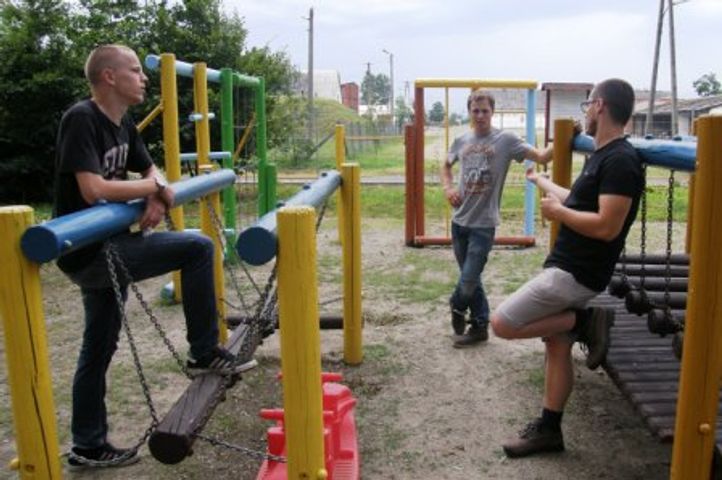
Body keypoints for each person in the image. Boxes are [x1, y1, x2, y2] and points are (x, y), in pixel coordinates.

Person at [53, 44, 255, 470]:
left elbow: (150, 169)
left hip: (110, 245)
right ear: (109, 77)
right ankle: (203, 351)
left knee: (98, 348)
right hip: (90, 251)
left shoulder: (123, 122)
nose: (143, 78)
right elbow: (93, 189)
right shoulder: (82, 118)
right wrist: (154, 189)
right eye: (134, 70)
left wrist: (155, 190)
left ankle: (87, 446)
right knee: (198, 248)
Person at [490, 78, 643, 458]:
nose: (585, 112)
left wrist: (559, 213)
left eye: (588, 105)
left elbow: (607, 226)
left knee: (503, 323)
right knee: (557, 345)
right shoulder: (603, 155)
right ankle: (550, 429)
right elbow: (578, 201)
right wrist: (542, 182)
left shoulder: (621, 161)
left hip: (576, 274)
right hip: (570, 267)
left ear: (600, 106)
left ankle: (585, 321)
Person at [441, 89, 553, 348]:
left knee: (468, 281)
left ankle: (457, 306)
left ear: (493, 112)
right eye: (475, 111)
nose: (480, 115)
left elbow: (542, 156)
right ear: (469, 112)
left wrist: (566, 136)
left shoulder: (506, 140)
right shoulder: (461, 140)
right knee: (471, 278)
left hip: (483, 225)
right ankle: (480, 327)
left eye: (485, 111)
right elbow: (446, 165)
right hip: (459, 223)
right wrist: (448, 188)